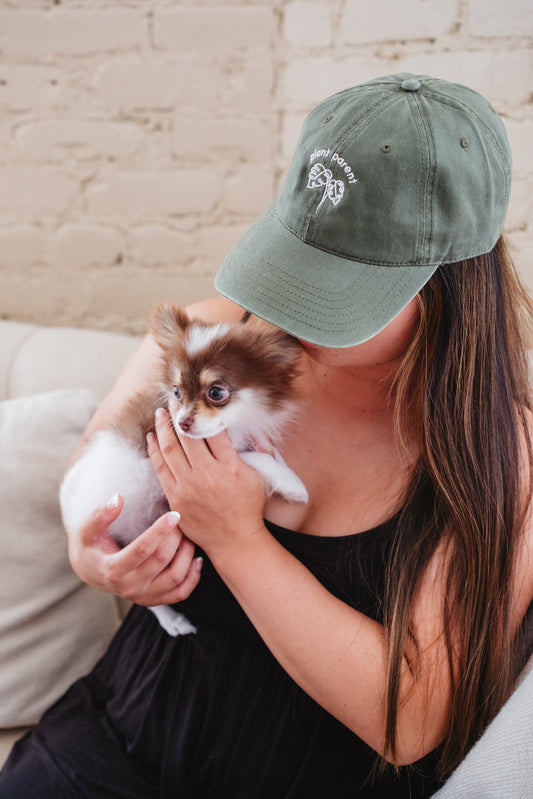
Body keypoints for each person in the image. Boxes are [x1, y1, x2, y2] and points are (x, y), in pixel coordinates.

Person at [1, 73, 532, 798]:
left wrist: (237, 537)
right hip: (107, 745)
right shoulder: (205, 336)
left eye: (335, 287)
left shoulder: (501, 454)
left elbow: (407, 720)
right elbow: (87, 497)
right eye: (293, 264)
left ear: (448, 285)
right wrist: (102, 565)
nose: (290, 311)